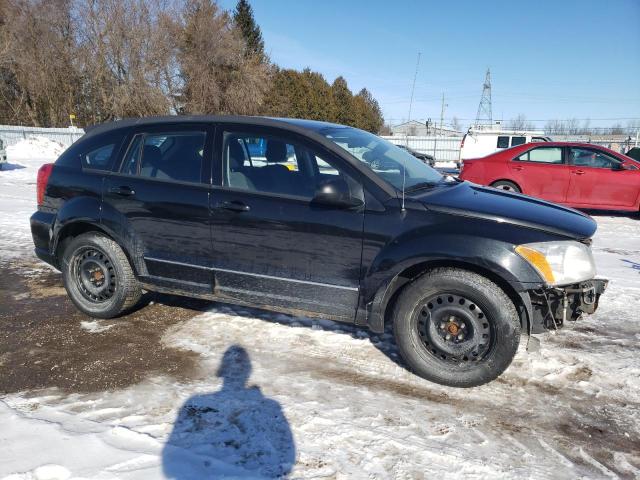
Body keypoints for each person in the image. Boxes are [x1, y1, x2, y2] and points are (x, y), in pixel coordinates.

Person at [162, 345, 295, 478]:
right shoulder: (269, 407)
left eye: (239, 366)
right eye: (234, 366)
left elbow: (175, 455)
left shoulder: (197, 403)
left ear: (221, 371)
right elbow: (286, 457)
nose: (236, 370)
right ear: (248, 371)